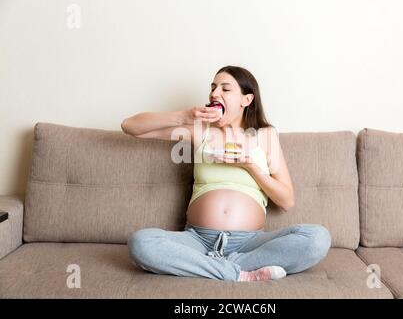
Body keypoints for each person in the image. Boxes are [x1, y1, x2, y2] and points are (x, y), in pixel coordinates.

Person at [121, 65, 331, 282]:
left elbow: (287, 201)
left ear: (246, 100)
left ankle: (212, 267)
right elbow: (130, 126)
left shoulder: (266, 136)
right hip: (197, 241)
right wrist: (183, 116)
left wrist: (251, 167)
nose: (214, 93)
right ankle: (239, 273)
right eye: (213, 87)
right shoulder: (199, 131)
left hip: (249, 243)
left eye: (225, 89)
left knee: (317, 238)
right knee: (141, 242)